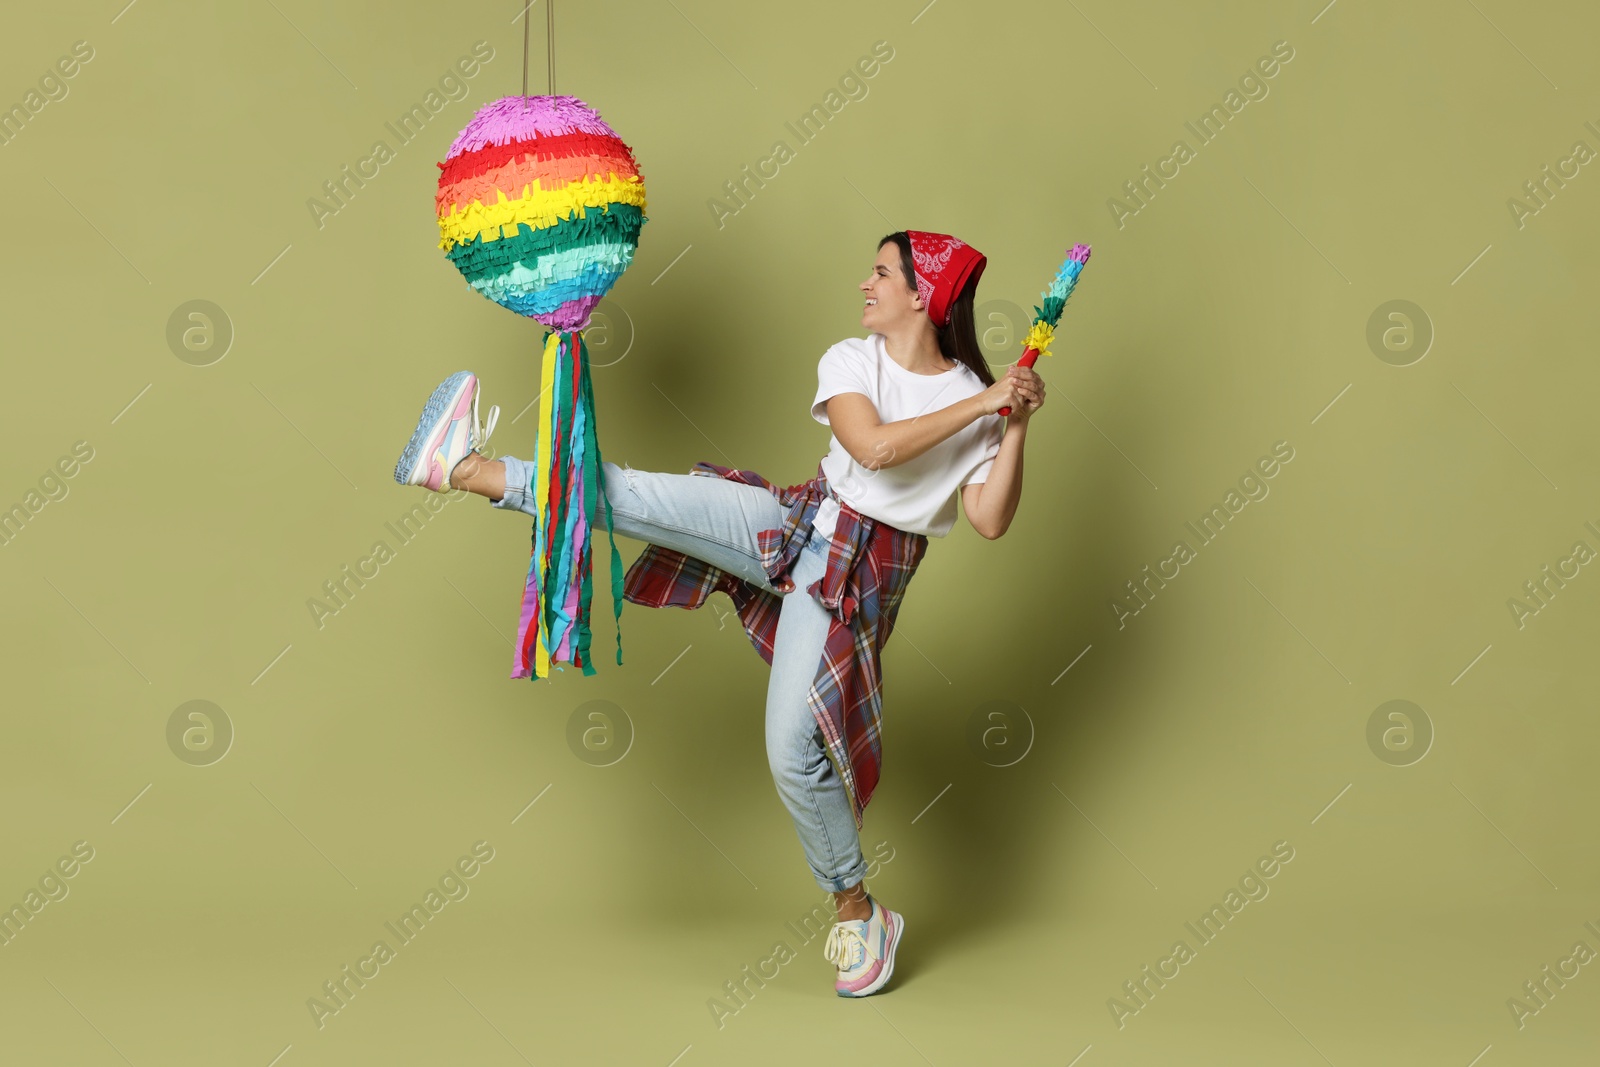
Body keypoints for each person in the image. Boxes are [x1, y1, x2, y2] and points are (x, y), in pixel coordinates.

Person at [392, 230, 1046, 997]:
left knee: (789, 749)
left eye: (881, 272)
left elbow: (990, 518)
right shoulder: (851, 360)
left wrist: (1013, 425)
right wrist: (987, 399)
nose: (864, 282)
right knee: (631, 495)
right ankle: (463, 465)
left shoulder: (973, 394)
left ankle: (859, 910)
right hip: (797, 523)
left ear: (922, 294)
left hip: (846, 587)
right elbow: (868, 449)